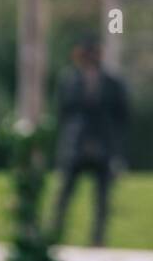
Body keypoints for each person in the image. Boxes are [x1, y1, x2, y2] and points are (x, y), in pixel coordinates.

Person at [48, 33, 130, 247]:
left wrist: (117, 152)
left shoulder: (112, 83)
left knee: (102, 198)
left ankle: (97, 240)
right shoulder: (69, 80)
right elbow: (62, 114)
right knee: (65, 194)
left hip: (103, 145)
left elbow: (122, 117)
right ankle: (54, 235)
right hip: (76, 145)